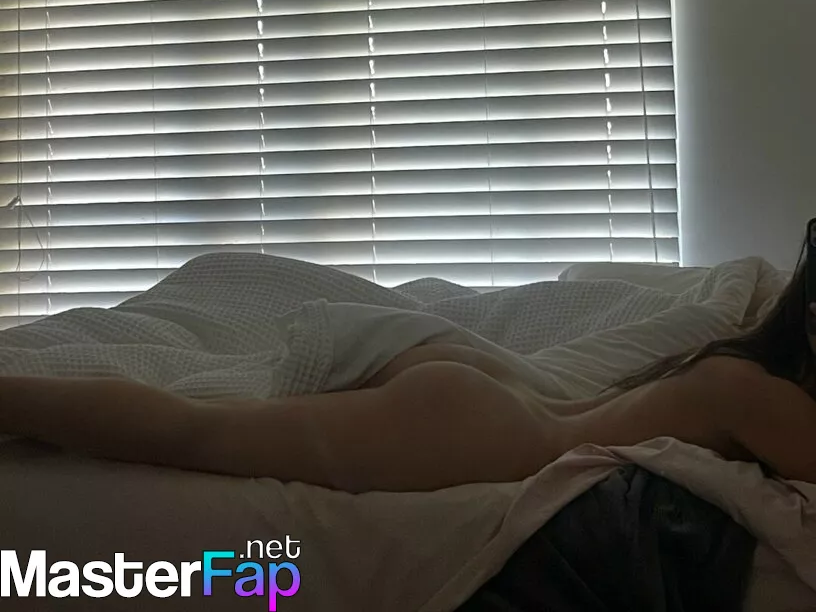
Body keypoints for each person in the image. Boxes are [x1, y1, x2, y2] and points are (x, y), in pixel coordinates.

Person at [1, 257, 815, 493]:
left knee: (203, 426)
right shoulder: (756, 395)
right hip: (483, 432)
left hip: (485, 401)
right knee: (197, 434)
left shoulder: (740, 368)